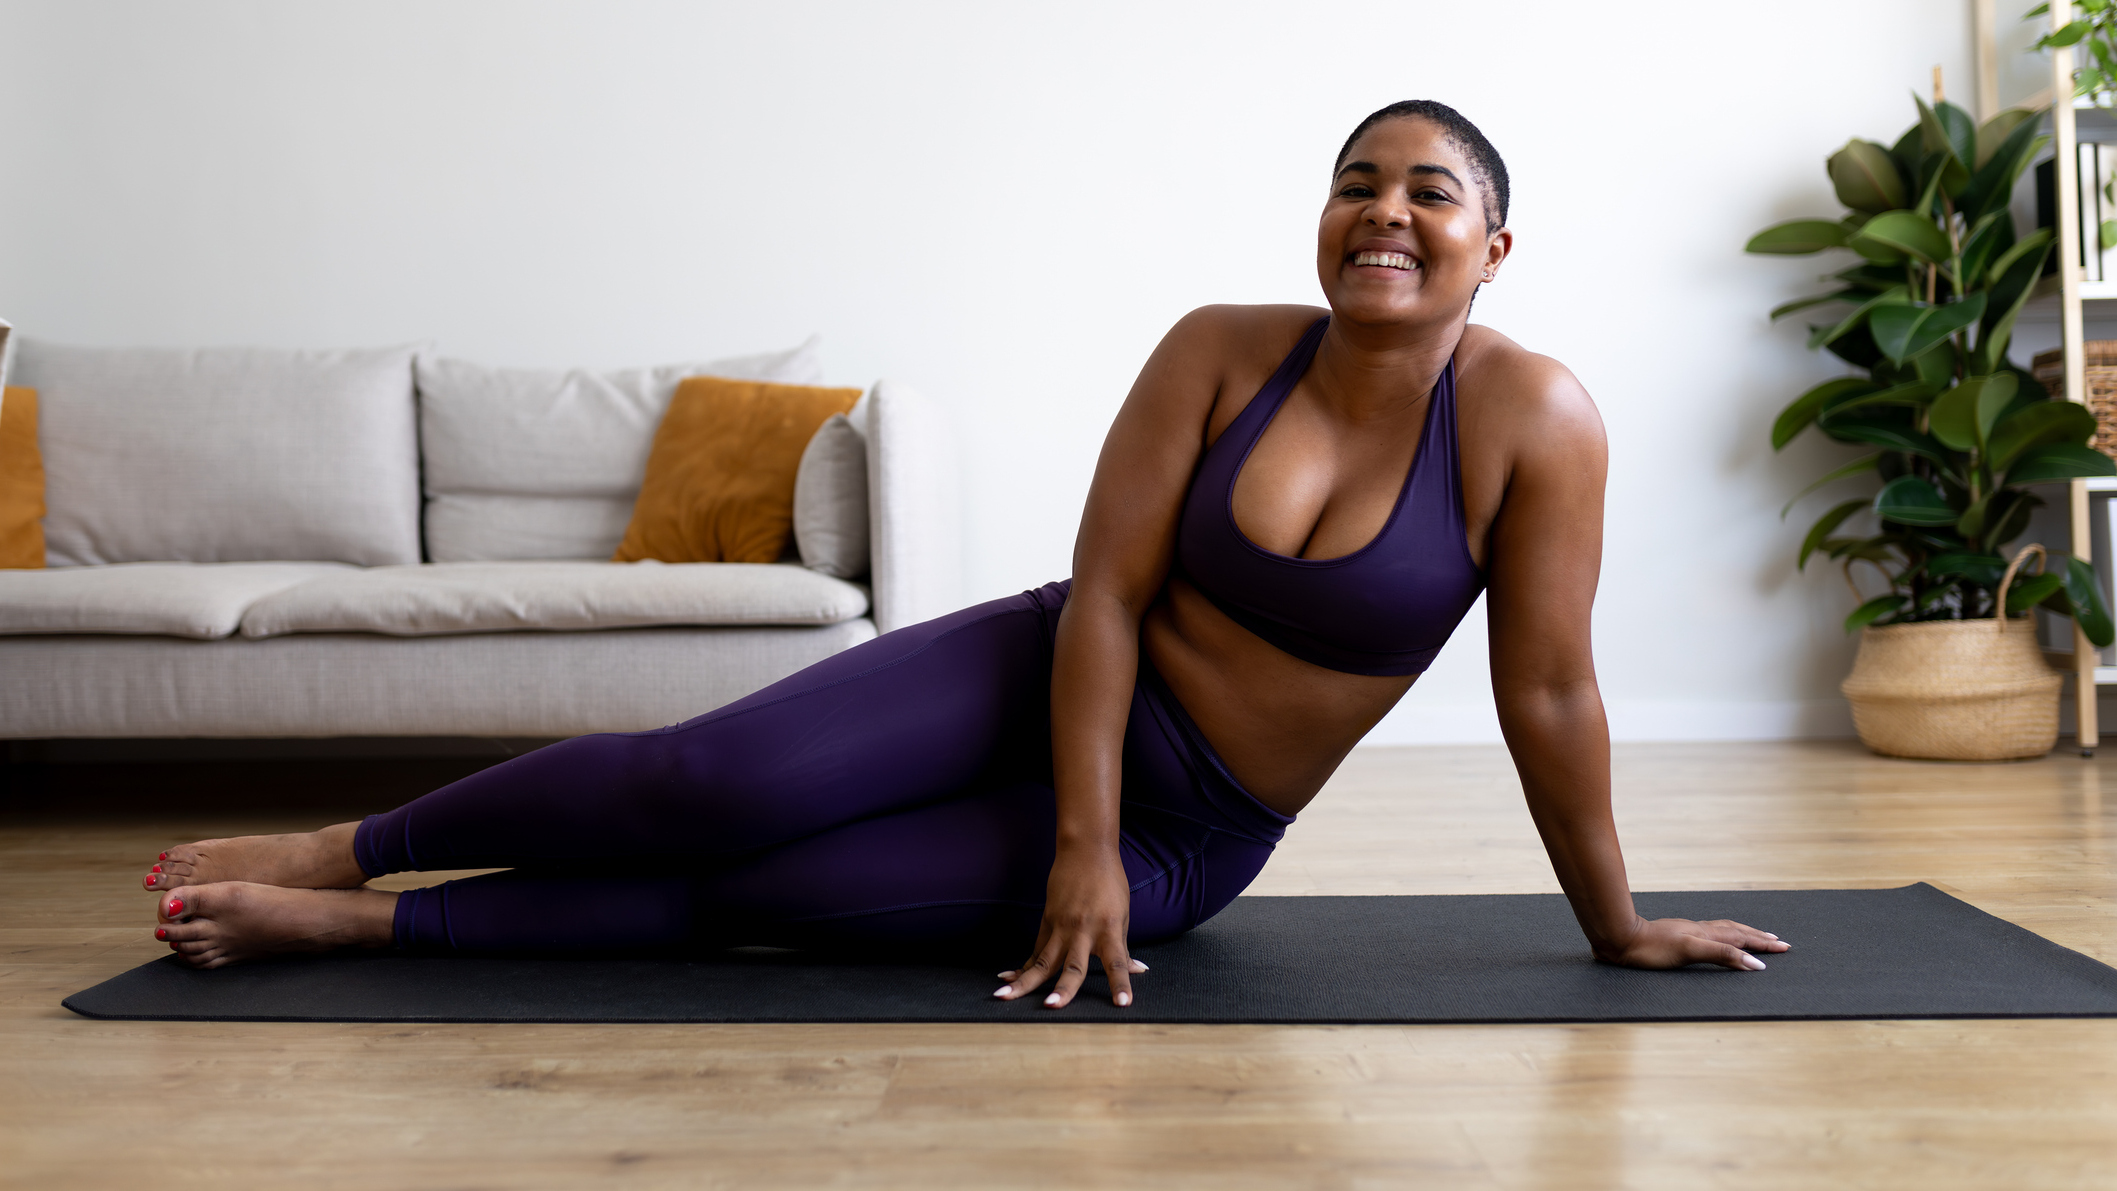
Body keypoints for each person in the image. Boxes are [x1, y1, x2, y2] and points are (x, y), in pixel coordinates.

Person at [142, 100, 1788, 1007]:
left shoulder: (1532, 420)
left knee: (762, 899)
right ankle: (346, 847)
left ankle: (374, 934)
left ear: (1490, 246)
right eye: (1356, 182)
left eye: (1430, 192)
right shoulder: (1221, 348)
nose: (1383, 210)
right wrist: (1074, 835)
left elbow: (1553, 692)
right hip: (1046, 665)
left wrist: (1616, 923)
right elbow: (1114, 594)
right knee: (702, 786)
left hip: (1195, 822)